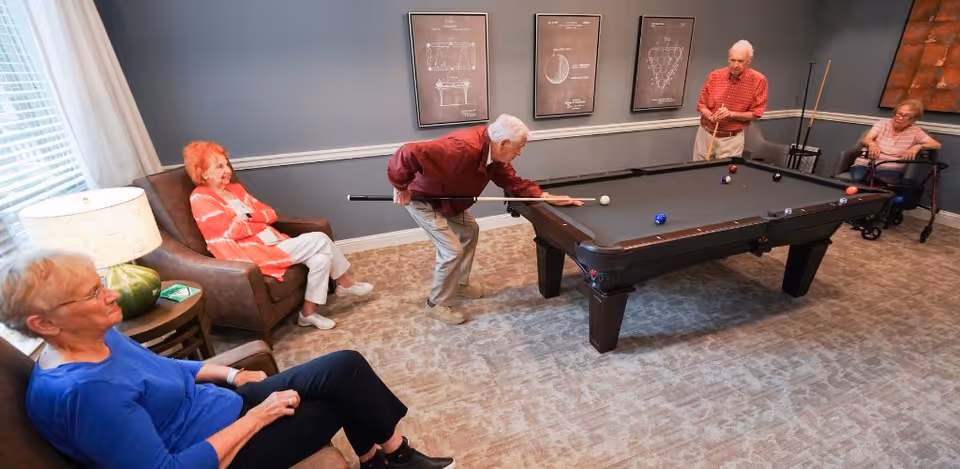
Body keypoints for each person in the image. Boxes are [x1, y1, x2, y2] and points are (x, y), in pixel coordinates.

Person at [0, 250, 455, 469]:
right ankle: (386, 460)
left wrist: (231, 372)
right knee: (339, 399)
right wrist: (258, 417)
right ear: (45, 324)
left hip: (219, 407)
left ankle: (390, 457)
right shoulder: (85, 394)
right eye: (94, 292)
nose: (113, 292)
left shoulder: (98, 334)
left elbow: (165, 369)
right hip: (215, 453)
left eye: (101, 281)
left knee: (345, 366)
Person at [387, 114, 581, 325]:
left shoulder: (493, 155)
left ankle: (459, 284)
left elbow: (511, 181)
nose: (520, 152)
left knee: (470, 231)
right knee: (451, 250)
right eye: (519, 147)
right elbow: (408, 151)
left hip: (449, 200)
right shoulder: (462, 147)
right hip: (424, 200)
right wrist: (400, 186)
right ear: (504, 143)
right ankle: (437, 304)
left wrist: (544, 196)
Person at [184, 141, 372, 330]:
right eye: (219, 166)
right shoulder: (201, 199)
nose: (227, 170)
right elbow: (231, 231)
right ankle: (344, 282)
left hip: (274, 240)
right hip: (252, 252)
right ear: (203, 172)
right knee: (320, 239)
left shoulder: (235, 190)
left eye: (226, 164)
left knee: (321, 259)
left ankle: (307, 314)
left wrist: (248, 217)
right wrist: (257, 223)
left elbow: (270, 213)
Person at [693, 40, 769, 161]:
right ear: (728, 59)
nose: (735, 65)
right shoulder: (715, 76)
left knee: (723, 175)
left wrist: (731, 114)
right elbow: (702, 105)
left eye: (740, 61)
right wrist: (711, 117)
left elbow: (756, 113)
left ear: (749, 61)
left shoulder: (759, 80)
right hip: (706, 134)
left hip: (731, 139)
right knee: (698, 174)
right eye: (733, 60)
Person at [848, 99, 942, 183]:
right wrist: (872, 144)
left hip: (891, 169)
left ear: (914, 119)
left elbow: (936, 145)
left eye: (907, 116)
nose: (900, 118)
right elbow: (866, 139)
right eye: (899, 113)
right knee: (858, 179)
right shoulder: (882, 124)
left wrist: (917, 146)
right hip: (866, 165)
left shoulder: (915, 131)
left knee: (881, 185)